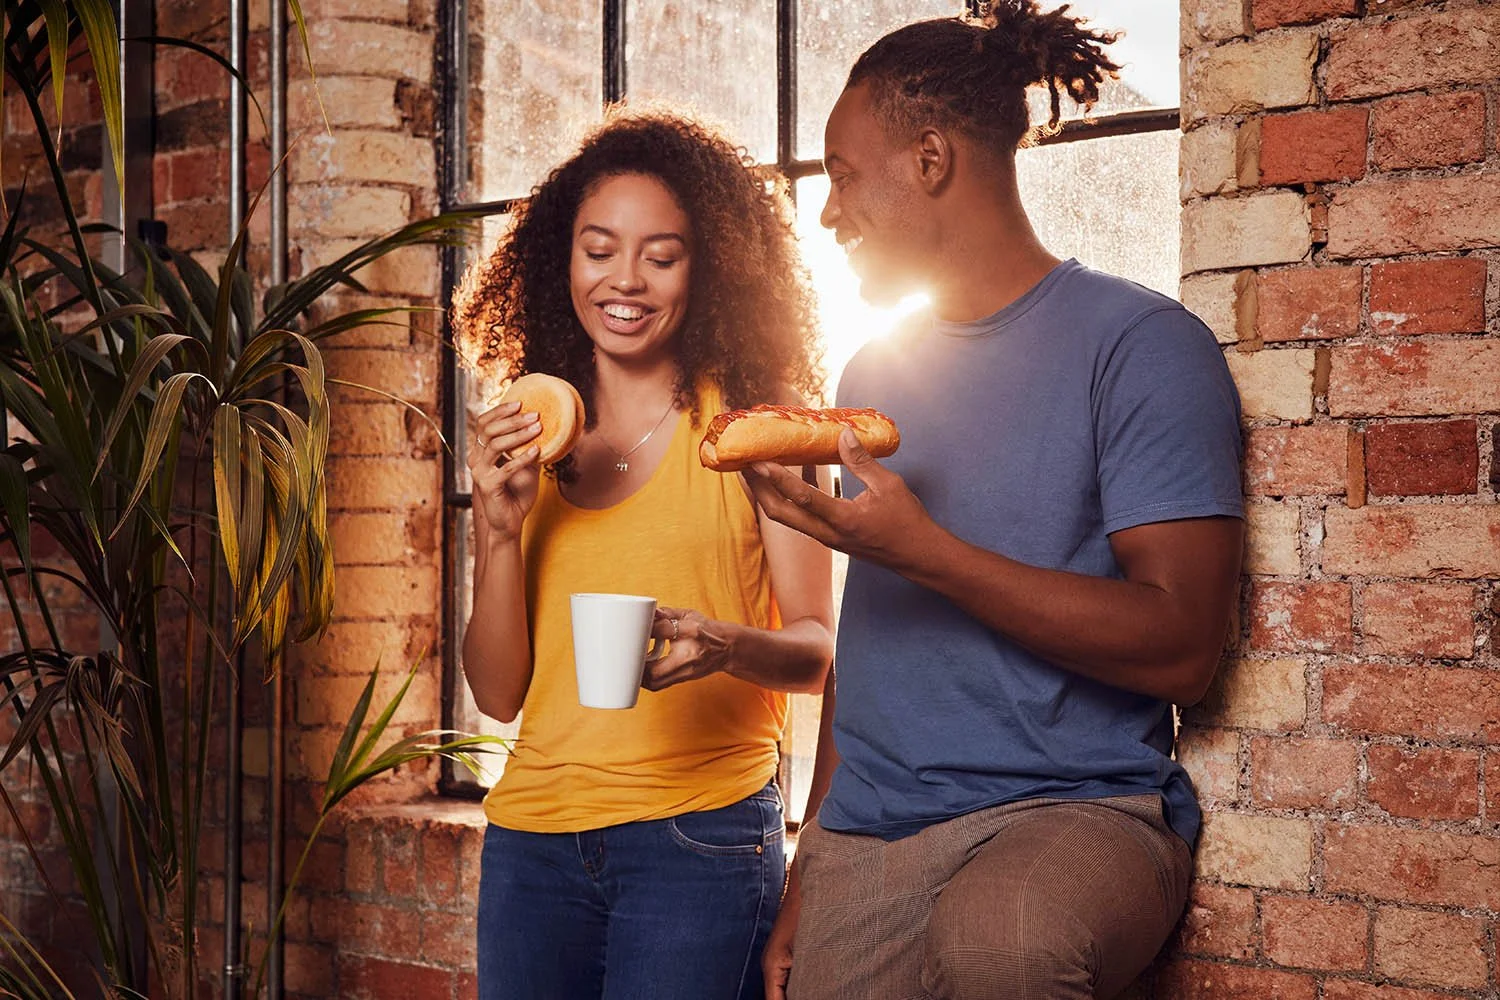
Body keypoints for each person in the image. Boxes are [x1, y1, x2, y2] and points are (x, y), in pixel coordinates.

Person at [747, 4, 1246, 999]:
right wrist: (811, 851)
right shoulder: (870, 372)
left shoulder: (1143, 346)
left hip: (1076, 812)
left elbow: (1187, 643)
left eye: (845, 175)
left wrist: (927, 550)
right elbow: (872, 638)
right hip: (873, 828)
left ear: (930, 160)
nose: (828, 211)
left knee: (1003, 941)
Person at [453, 110, 835, 1000]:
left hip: (696, 844)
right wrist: (499, 531)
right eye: (600, 250)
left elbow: (820, 651)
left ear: (710, 271)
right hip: (532, 847)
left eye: (662, 257)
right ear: (562, 259)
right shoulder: (525, 431)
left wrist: (724, 643)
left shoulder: (756, 429)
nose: (626, 281)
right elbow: (499, 692)